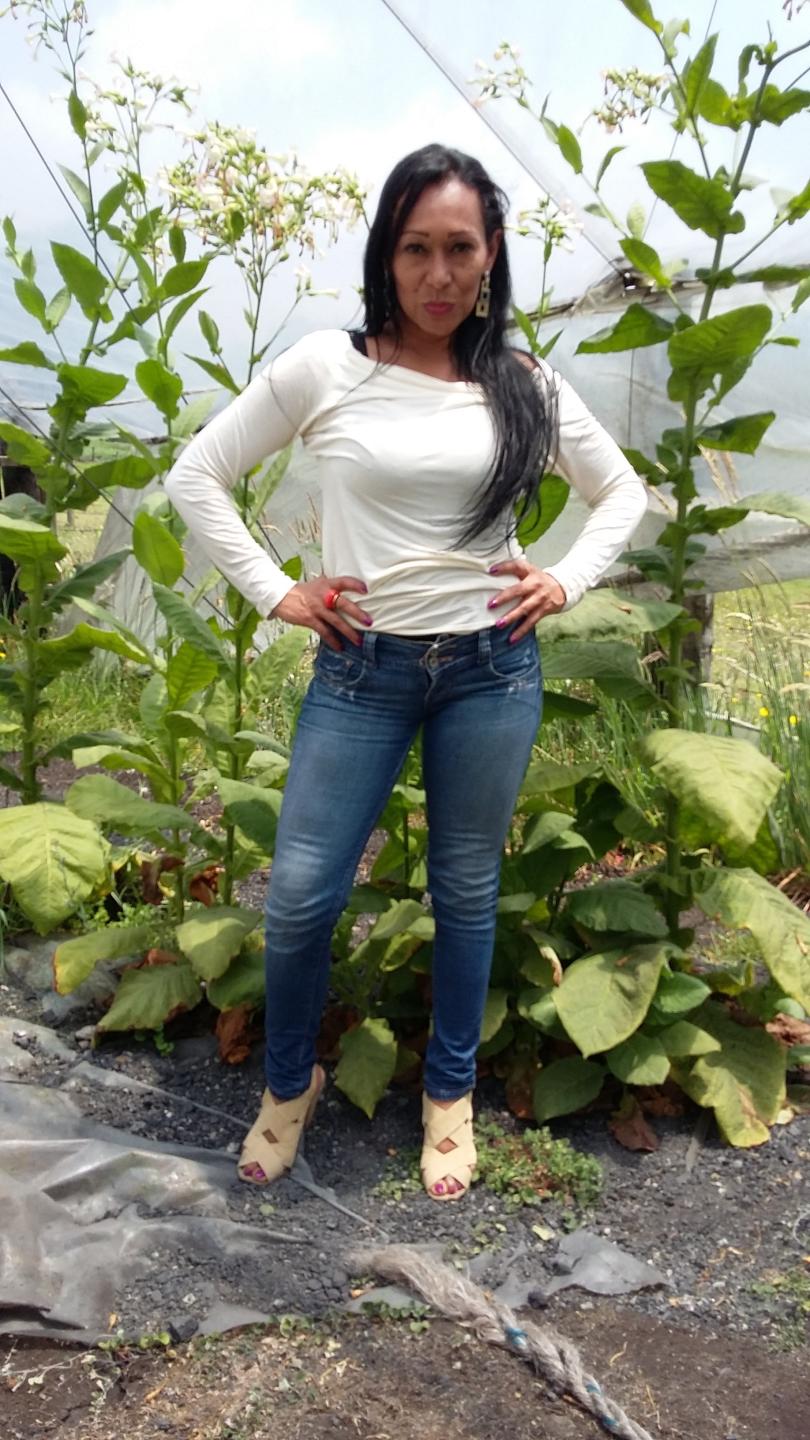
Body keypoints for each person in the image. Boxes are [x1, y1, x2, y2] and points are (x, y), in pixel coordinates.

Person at [165, 143, 647, 1203]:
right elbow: (196, 474)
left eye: (459, 249)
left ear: (492, 254)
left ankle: (449, 1095)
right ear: (386, 252)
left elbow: (623, 493)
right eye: (416, 248)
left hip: (491, 669)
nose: (438, 274)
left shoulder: (522, 384)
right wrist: (278, 591)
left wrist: (563, 580)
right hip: (362, 670)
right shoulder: (325, 368)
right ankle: (289, 1083)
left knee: (466, 892)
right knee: (299, 898)